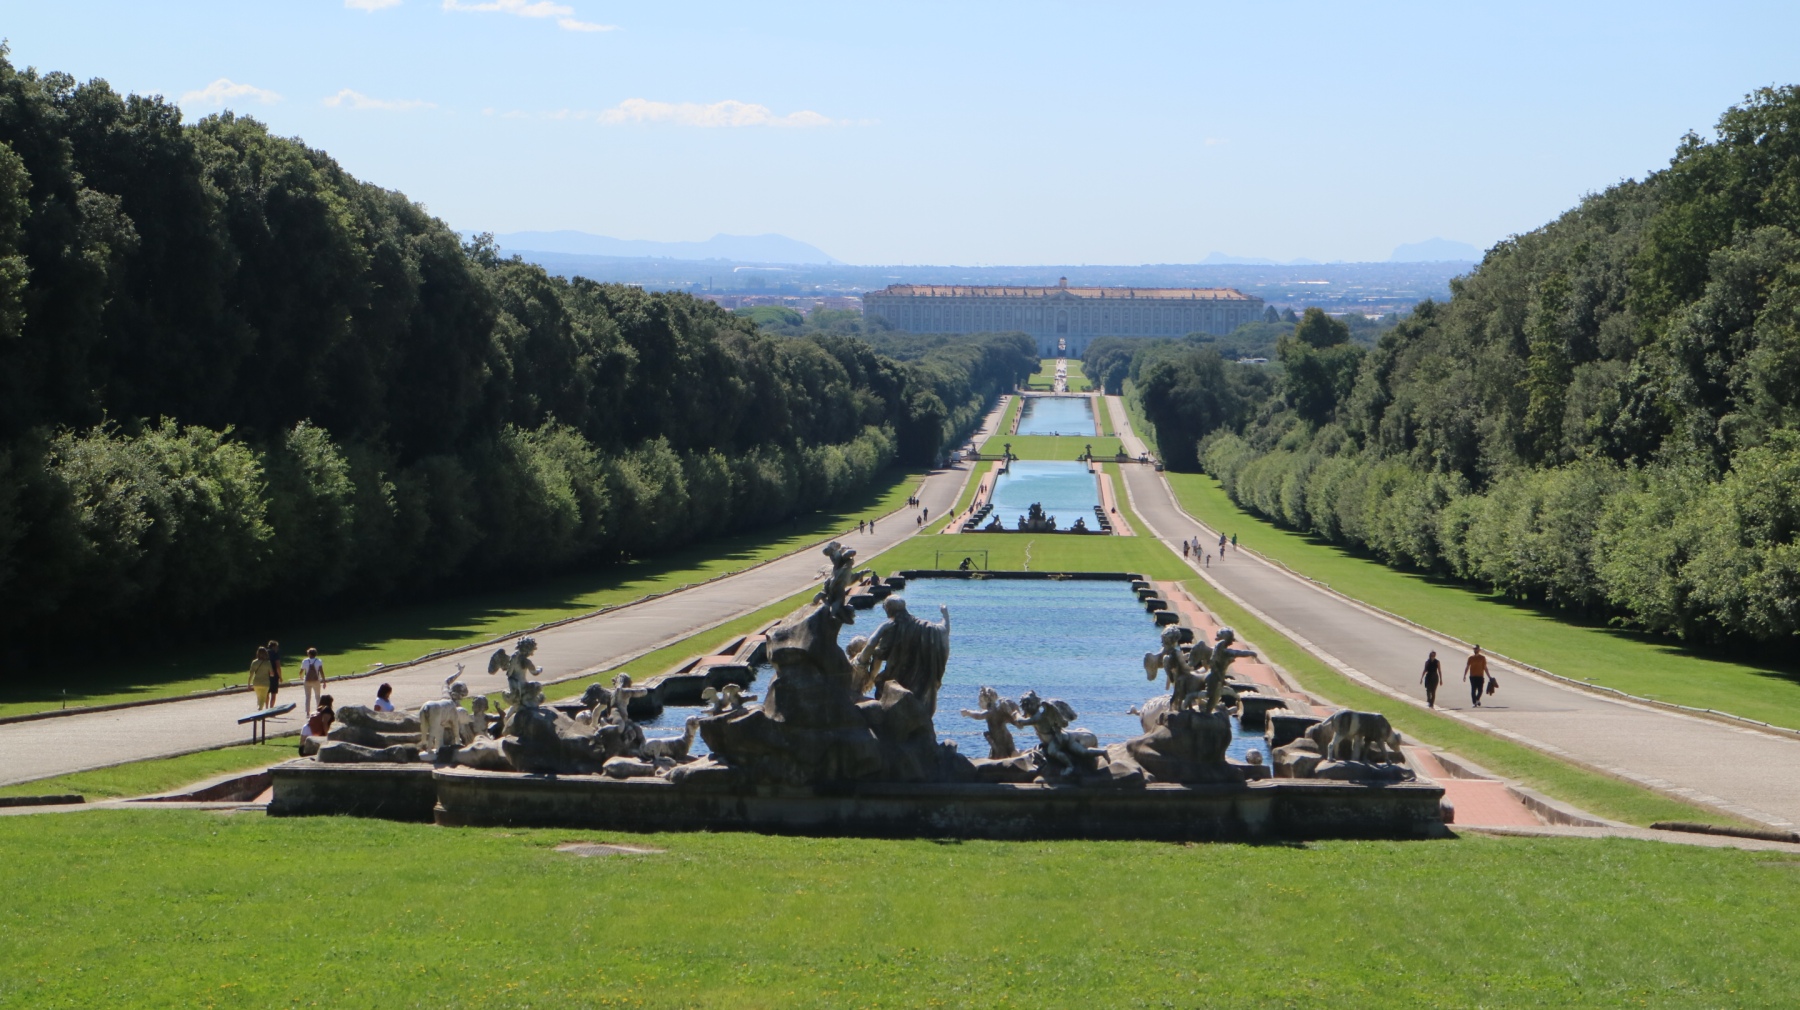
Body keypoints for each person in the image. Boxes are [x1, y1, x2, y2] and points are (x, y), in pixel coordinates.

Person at [300, 647, 326, 714]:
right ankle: (319, 710)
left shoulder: (305, 661)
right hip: (316, 680)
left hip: (307, 680)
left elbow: (301, 671)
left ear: (309, 654)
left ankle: (307, 711)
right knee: (317, 696)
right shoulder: (319, 661)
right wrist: (324, 681)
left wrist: (301, 676)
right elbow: (321, 672)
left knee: (307, 696)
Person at [265, 640, 283, 708]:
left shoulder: (264, 653)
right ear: (273, 647)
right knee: (273, 693)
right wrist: (280, 677)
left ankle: (266, 708)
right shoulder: (275, 654)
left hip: (265, 675)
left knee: (266, 693)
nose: (277, 648)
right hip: (274, 676)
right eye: (276, 647)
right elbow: (278, 666)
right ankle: (271, 708)